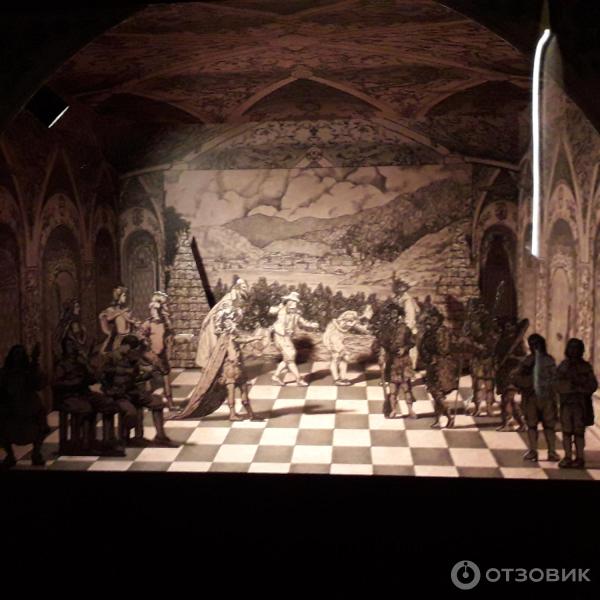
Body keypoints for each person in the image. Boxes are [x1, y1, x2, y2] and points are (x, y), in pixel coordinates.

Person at [101, 334, 177, 447]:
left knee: (157, 402)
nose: (133, 352)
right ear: (126, 346)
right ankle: (124, 438)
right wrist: (123, 374)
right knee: (131, 412)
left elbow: (136, 378)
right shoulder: (110, 357)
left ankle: (160, 437)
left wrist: (149, 374)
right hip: (118, 394)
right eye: (132, 349)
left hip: (132, 392)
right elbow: (103, 375)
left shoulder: (131, 358)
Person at [53, 338, 122, 454]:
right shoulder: (62, 364)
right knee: (86, 408)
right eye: (70, 346)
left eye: (74, 345)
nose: (73, 348)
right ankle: (85, 443)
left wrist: (86, 364)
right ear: (64, 349)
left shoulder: (81, 363)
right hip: (69, 396)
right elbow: (56, 384)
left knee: (108, 403)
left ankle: (107, 441)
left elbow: (93, 378)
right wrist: (74, 382)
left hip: (84, 393)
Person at [513, 334, 559, 462]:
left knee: (549, 426)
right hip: (531, 398)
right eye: (532, 345)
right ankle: (533, 451)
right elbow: (516, 378)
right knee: (531, 425)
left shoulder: (549, 360)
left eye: (536, 345)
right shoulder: (527, 361)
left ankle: (552, 452)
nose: (534, 347)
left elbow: (555, 378)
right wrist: (527, 383)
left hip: (546, 398)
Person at [0, 344, 48, 468]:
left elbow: (40, 384)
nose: (18, 357)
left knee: (41, 424)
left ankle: (36, 453)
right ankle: (10, 455)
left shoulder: (29, 371)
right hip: (11, 407)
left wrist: (35, 362)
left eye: (21, 354)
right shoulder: (5, 373)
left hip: (29, 407)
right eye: (16, 354)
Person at [215, 304, 263, 421]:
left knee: (243, 391)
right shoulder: (228, 336)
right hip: (231, 368)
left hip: (237, 367)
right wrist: (255, 338)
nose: (235, 322)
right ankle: (233, 414)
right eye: (232, 319)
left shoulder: (227, 335)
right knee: (232, 391)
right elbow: (240, 340)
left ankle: (250, 414)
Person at [555, 338, 598, 469]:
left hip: (580, 405)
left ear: (581, 350)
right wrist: (567, 388)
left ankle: (580, 458)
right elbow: (556, 383)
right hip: (567, 404)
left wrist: (580, 387)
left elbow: (592, 385)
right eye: (571, 348)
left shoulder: (585, 367)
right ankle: (568, 457)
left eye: (576, 348)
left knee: (579, 432)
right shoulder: (563, 366)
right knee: (566, 431)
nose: (573, 351)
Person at [195, 276, 249, 369]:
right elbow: (221, 317)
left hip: (224, 327)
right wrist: (229, 328)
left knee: (230, 349)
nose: (241, 301)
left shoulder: (235, 302)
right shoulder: (228, 300)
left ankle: (228, 368)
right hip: (216, 327)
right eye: (241, 298)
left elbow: (232, 318)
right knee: (215, 348)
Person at [418, 308, 459, 428]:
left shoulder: (443, 331)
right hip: (431, 364)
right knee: (434, 392)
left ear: (439, 320)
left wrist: (434, 354)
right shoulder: (429, 332)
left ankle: (449, 416)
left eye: (434, 319)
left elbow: (444, 349)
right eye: (430, 319)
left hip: (442, 365)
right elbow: (422, 347)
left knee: (437, 392)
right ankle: (437, 419)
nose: (431, 321)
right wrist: (427, 357)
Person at [269, 291, 319, 386]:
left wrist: (312, 325)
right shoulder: (281, 310)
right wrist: (280, 306)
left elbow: (303, 322)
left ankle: (275, 376)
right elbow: (271, 311)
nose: (293, 307)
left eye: (295, 304)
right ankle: (298, 379)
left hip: (286, 338)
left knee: (288, 358)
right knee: (290, 358)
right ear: (287, 303)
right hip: (280, 337)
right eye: (291, 304)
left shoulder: (295, 315)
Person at [141, 291, 176, 411]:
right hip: (152, 355)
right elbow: (142, 336)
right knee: (148, 380)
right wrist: (147, 349)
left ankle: (170, 402)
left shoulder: (165, 323)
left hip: (162, 355)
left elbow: (169, 337)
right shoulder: (148, 323)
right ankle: (148, 402)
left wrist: (169, 349)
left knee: (166, 379)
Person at [495, 319, 527, 432]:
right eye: (506, 326)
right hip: (503, 373)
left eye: (510, 326)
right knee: (509, 401)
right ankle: (522, 424)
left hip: (513, 373)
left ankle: (507, 424)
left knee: (507, 400)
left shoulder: (518, 342)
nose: (508, 329)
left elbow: (523, 358)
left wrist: (512, 357)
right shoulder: (502, 340)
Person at [322, 310, 369, 386]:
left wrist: (364, 321)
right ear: (344, 317)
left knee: (344, 358)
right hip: (333, 341)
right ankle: (336, 379)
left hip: (339, 341)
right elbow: (339, 329)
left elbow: (361, 328)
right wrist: (330, 346)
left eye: (352, 319)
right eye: (349, 319)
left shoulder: (349, 322)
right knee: (336, 359)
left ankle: (342, 377)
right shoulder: (338, 323)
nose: (351, 321)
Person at [99, 286, 140, 354]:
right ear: (119, 297)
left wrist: (135, 323)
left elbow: (129, 321)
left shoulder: (125, 310)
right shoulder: (112, 310)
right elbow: (107, 319)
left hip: (128, 336)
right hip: (119, 338)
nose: (125, 297)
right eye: (124, 295)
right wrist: (120, 312)